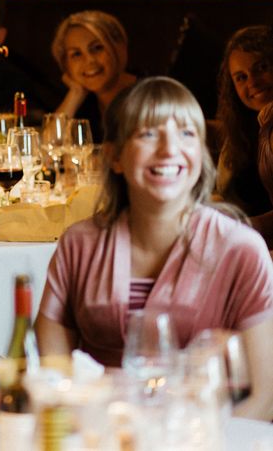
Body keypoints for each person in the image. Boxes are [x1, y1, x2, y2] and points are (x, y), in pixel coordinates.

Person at [36, 77, 273, 421]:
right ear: (114, 156)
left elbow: (265, 398)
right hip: (97, 434)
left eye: (186, 134)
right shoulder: (79, 245)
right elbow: (54, 378)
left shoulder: (241, 250)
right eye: (148, 133)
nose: (169, 149)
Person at [51, 10, 137, 141]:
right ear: (66, 65)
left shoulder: (150, 97)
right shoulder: (84, 103)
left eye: (97, 48)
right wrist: (75, 94)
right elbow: (50, 149)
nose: (89, 60)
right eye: (76, 54)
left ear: (120, 48)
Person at [216, 25, 273, 218]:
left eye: (262, 67)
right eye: (241, 77)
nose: (253, 82)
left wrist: (246, 229)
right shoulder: (241, 127)